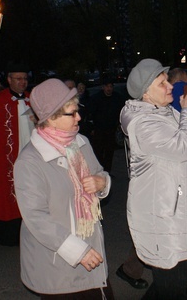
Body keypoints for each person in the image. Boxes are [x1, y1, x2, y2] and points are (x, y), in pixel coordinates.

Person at [120, 58, 187, 299]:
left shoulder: (163, 113)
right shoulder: (142, 123)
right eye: (162, 83)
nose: (170, 86)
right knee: (175, 286)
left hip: (178, 216)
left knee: (179, 285)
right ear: (146, 94)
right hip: (164, 221)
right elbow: (181, 149)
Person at [14, 79, 113, 299]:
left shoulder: (80, 142)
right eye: (72, 113)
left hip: (91, 248)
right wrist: (78, 251)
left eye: (78, 111)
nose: (79, 117)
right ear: (51, 118)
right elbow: (36, 218)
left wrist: (102, 183)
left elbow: (99, 173)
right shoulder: (30, 161)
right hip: (57, 262)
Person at [0, 64, 34, 246]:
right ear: (9, 80)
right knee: (4, 193)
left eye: (24, 78)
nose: (22, 82)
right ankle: (4, 235)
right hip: (6, 158)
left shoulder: (32, 99)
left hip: (30, 156)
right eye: (18, 78)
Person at [87, 79, 124, 172]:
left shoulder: (117, 98)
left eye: (111, 86)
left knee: (109, 151)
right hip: (98, 129)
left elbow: (121, 111)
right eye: (107, 86)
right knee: (98, 151)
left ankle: (107, 172)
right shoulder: (96, 98)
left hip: (111, 129)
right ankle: (99, 171)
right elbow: (90, 113)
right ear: (103, 87)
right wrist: (92, 128)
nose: (109, 88)